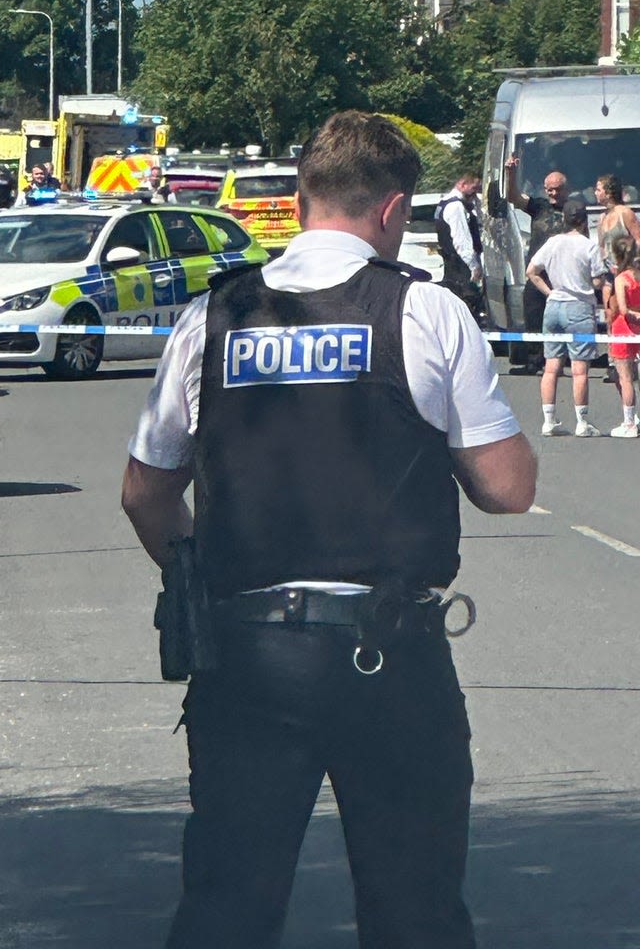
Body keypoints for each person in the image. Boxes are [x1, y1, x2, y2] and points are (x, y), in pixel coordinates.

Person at [122, 110, 536, 949]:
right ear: (391, 212)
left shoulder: (213, 316)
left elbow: (144, 492)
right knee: (414, 908)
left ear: (305, 198)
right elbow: (508, 487)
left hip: (246, 654)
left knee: (227, 906)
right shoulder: (423, 311)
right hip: (390, 654)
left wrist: (203, 574)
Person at [525, 197, 607, 438]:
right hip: (579, 307)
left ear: (564, 219)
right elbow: (598, 279)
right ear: (583, 221)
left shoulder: (552, 242)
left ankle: (548, 420)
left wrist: (549, 292)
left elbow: (532, 271)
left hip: (554, 306)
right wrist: (593, 284)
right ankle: (582, 421)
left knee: (551, 366)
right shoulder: (588, 246)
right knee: (580, 369)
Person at [504, 158, 567, 370]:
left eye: (557, 189)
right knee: (533, 315)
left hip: (562, 273)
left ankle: (560, 359)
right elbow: (513, 197)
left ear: (565, 188)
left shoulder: (574, 208)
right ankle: (534, 360)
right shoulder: (539, 206)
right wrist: (511, 174)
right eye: (549, 190)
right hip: (537, 273)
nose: (553, 194)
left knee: (564, 318)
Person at [435, 171, 485, 318]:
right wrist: (474, 266)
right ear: (463, 185)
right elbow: (461, 240)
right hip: (460, 267)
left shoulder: (444, 203)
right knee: (467, 308)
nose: (476, 193)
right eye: (474, 188)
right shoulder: (456, 206)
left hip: (452, 265)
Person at [606, 233, 640, 438]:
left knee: (626, 378)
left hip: (624, 328)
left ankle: (629, 423)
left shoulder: (621, 279)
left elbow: (623, 309)